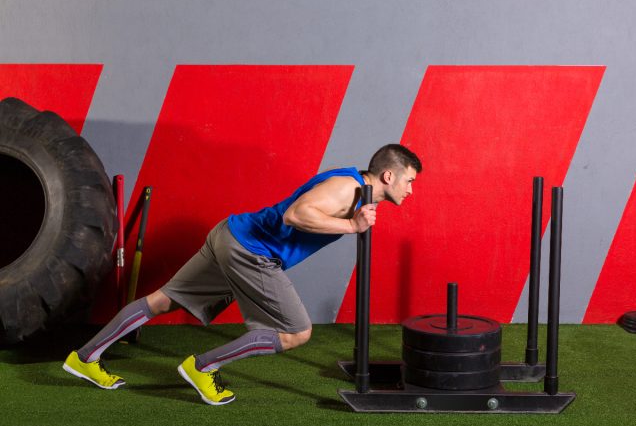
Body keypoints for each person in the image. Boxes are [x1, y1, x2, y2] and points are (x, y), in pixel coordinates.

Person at [63, 143, 422, 405]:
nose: (410, 189)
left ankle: (85, 357)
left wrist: (353, 222)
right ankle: (202, 367)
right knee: (297, 332)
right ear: (388, 175)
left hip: (230, 234)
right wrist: (351, 226)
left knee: (163, 300)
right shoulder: (348, 189)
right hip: (252, 251)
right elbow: (295, 215)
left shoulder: (357, 187)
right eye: (408, 180)